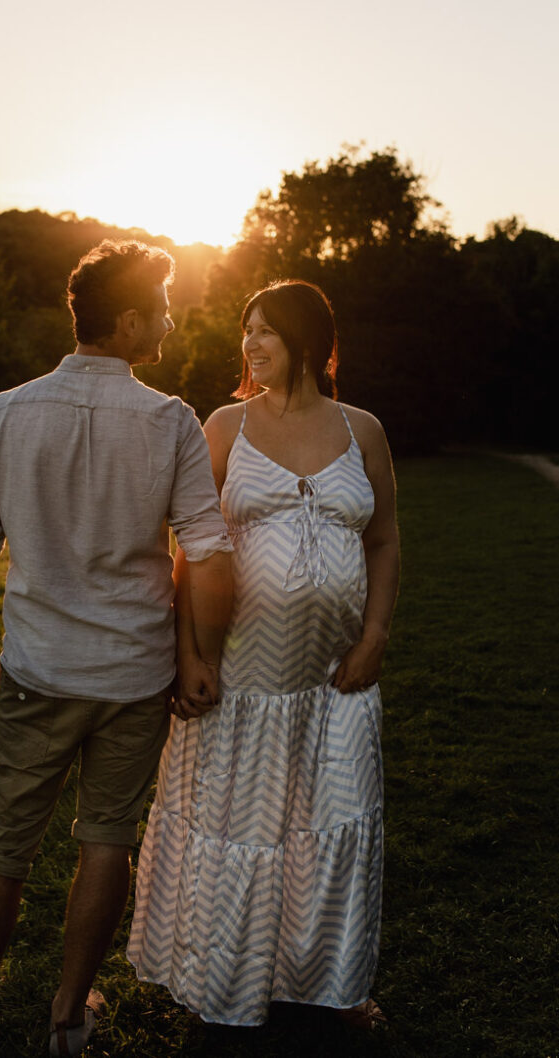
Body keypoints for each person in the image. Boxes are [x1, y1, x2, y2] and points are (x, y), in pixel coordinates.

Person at [0, 240, 233, 1058]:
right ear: (129, 319)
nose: (170, 325)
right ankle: (67, 1019)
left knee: (2, 847)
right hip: (136, 676)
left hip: (37, 670)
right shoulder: (170, 421)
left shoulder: (3, 413)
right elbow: (205, 549)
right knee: (107, 839)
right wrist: (200, 653)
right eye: (163, 310)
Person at [128, 279, 399, 1030]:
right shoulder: (224, 426)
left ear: (308, 339)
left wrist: (373, 637)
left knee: (335, 831)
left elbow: (381, 540)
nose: (249, 344)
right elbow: (188, 551)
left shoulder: (363, 431)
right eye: (245, 331)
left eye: (266, 331)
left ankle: (332, 986)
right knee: (237, 833)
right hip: (239, 680)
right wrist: (189, 656)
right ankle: (221, 981)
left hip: (334, 682)